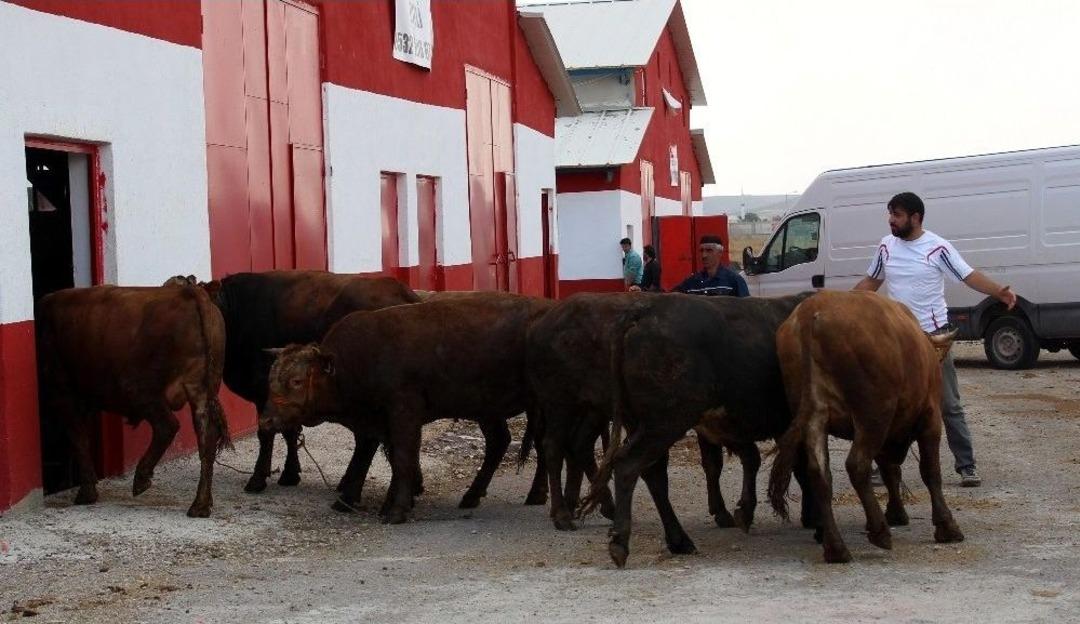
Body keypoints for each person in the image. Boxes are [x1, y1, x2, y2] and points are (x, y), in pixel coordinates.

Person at [854, 191, 1016, 487]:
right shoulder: (886, 246)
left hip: (933, 340)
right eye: (890, 214)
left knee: (947, 403)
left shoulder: (938, 247)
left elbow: (968, 275)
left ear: (916, 218)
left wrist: (998, 292)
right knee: (888, 402)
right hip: (898, 338)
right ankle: (883, 465)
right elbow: (872, 282)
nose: (891, 220)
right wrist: (844, 304)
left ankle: (966, 465)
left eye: (897, 215)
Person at [673, 235, 749, 297]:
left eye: (709, 250)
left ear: (720, 253)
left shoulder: (734, 281)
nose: (704, 255)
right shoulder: (691, 283)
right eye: (701, 251)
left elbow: (745, 309)